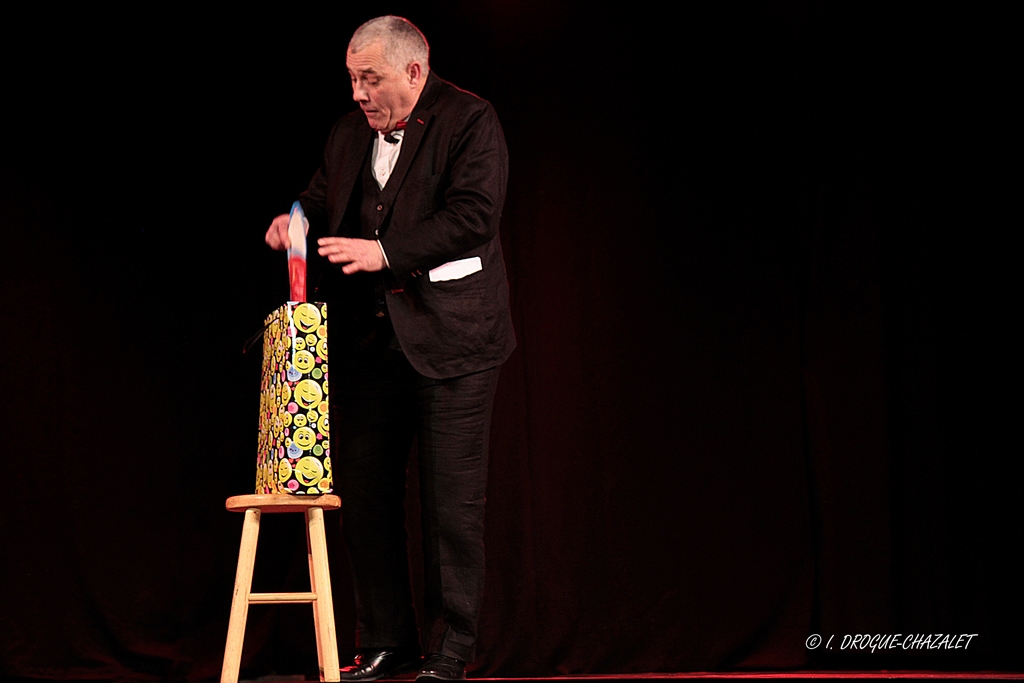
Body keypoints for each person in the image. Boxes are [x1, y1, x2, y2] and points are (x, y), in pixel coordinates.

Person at [265, 15, 515, 683]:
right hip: (371, 342)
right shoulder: (349, 134)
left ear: (414, 70)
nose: (358, 92)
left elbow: (473, 216)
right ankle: (386, 641)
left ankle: (450, 650)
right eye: (351, 78)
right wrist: (293, 221)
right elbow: (318, 198)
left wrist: (383, 252)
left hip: (453, 339)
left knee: (450, 506)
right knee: (367, 497)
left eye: (369, 78)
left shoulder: (469, 121)